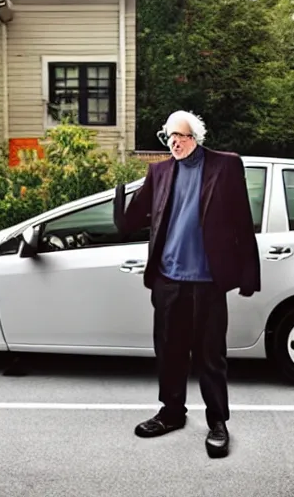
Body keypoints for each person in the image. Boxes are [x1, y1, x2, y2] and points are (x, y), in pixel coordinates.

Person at [113, 110, 260, 459]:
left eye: (179, 135)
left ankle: (217, 423)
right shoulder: (159, 172)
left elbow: (242, 220)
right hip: (168, 281)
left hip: (207, 282)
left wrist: (249, 274)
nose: (174, 142)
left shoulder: (224, 167)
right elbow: (133, 220)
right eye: (168, 137)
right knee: (169, 352)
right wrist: (119, 198)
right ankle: (171, 413)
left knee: (211, 357)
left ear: (195, 136)